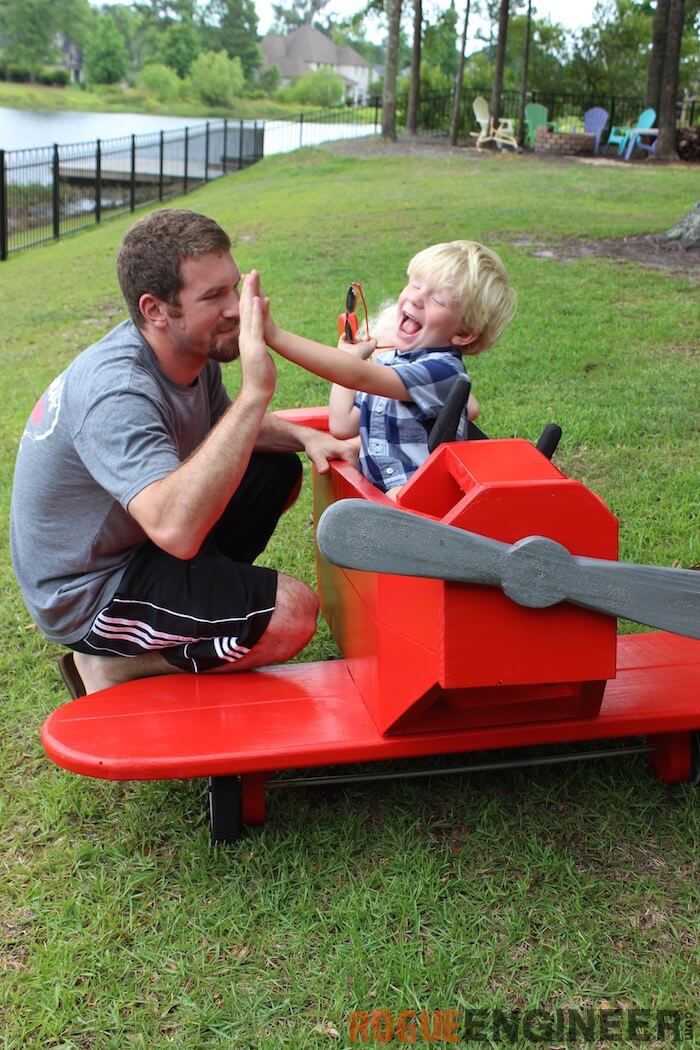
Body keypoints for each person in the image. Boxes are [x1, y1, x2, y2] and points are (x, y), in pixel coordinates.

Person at [10, 209, 358, 698]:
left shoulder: (188, 351)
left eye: (233, 287)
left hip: (142, 540)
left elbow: (221, 425)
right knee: (292, 615)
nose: (236, 308)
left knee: (275, 469)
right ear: (155, 310)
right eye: (213, 296)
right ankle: (112, 668)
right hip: (89, 591)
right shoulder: (118, 392)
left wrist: (304, 438)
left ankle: (200, 600)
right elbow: (176, 531)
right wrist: (256, 391)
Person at [258, 240, 516, 500]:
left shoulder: (442, 371)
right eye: (415, 285)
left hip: (422, 501)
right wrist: (347, 359)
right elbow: (342, 423)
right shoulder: (390, 362)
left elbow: (358, 375)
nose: (415, 298)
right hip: (384, 496)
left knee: (363, 511)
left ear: (463, 333)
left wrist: (275, 336)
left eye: (437, 300)